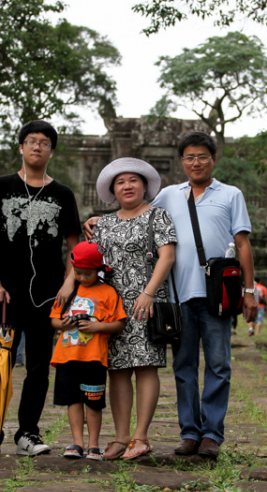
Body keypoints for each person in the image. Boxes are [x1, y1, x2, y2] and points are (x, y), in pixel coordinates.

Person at [84, 132, 257, 460]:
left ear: (213, 159)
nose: (196, 163)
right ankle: (190, 432)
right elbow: (135, 213)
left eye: (202, 156)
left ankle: (212, 434)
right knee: (184, 365)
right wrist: (96, 219)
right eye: (189, 157)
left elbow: (243, 244)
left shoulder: (231, 195)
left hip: (217, 293)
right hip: (178, 295)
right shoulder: (168, 195)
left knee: (219, 364)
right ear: (181, 162)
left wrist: (249, 292)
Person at [0, 120, 82, 457]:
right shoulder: (1, 186)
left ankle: (28, 432)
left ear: (51, 151)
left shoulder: (63, 194)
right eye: (30, 141)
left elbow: (75, 246)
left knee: (39, 366)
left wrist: (68, 285)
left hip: (47, 296)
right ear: (21, 147)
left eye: (44, 143)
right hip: (5, 295)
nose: (37, 147)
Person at [91, 157, 177, 460]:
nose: (127, 186)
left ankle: (141, 436)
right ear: (113, 189)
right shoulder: (104, 223)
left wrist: (148, 293)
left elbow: (167, 257)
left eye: (133, 180)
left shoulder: (158, 216)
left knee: (145, 365)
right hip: (112, 307)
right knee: (117, 369)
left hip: (146, 302)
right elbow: (93, 263)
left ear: (144, 185)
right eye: (120, 182)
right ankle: (120, 436)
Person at [50, 241, 127, 460]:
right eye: (78, 273)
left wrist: (97, 327)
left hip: (93, 357)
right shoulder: (68, 291)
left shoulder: (108, 292)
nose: (82, 278)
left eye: (88, 273)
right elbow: (54, 320)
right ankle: (77, 443)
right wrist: (63, 324)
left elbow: (120, 323)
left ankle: (94, 444)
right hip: (67, 356)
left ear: (99, 270)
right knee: (72, 400)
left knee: (93, 401)